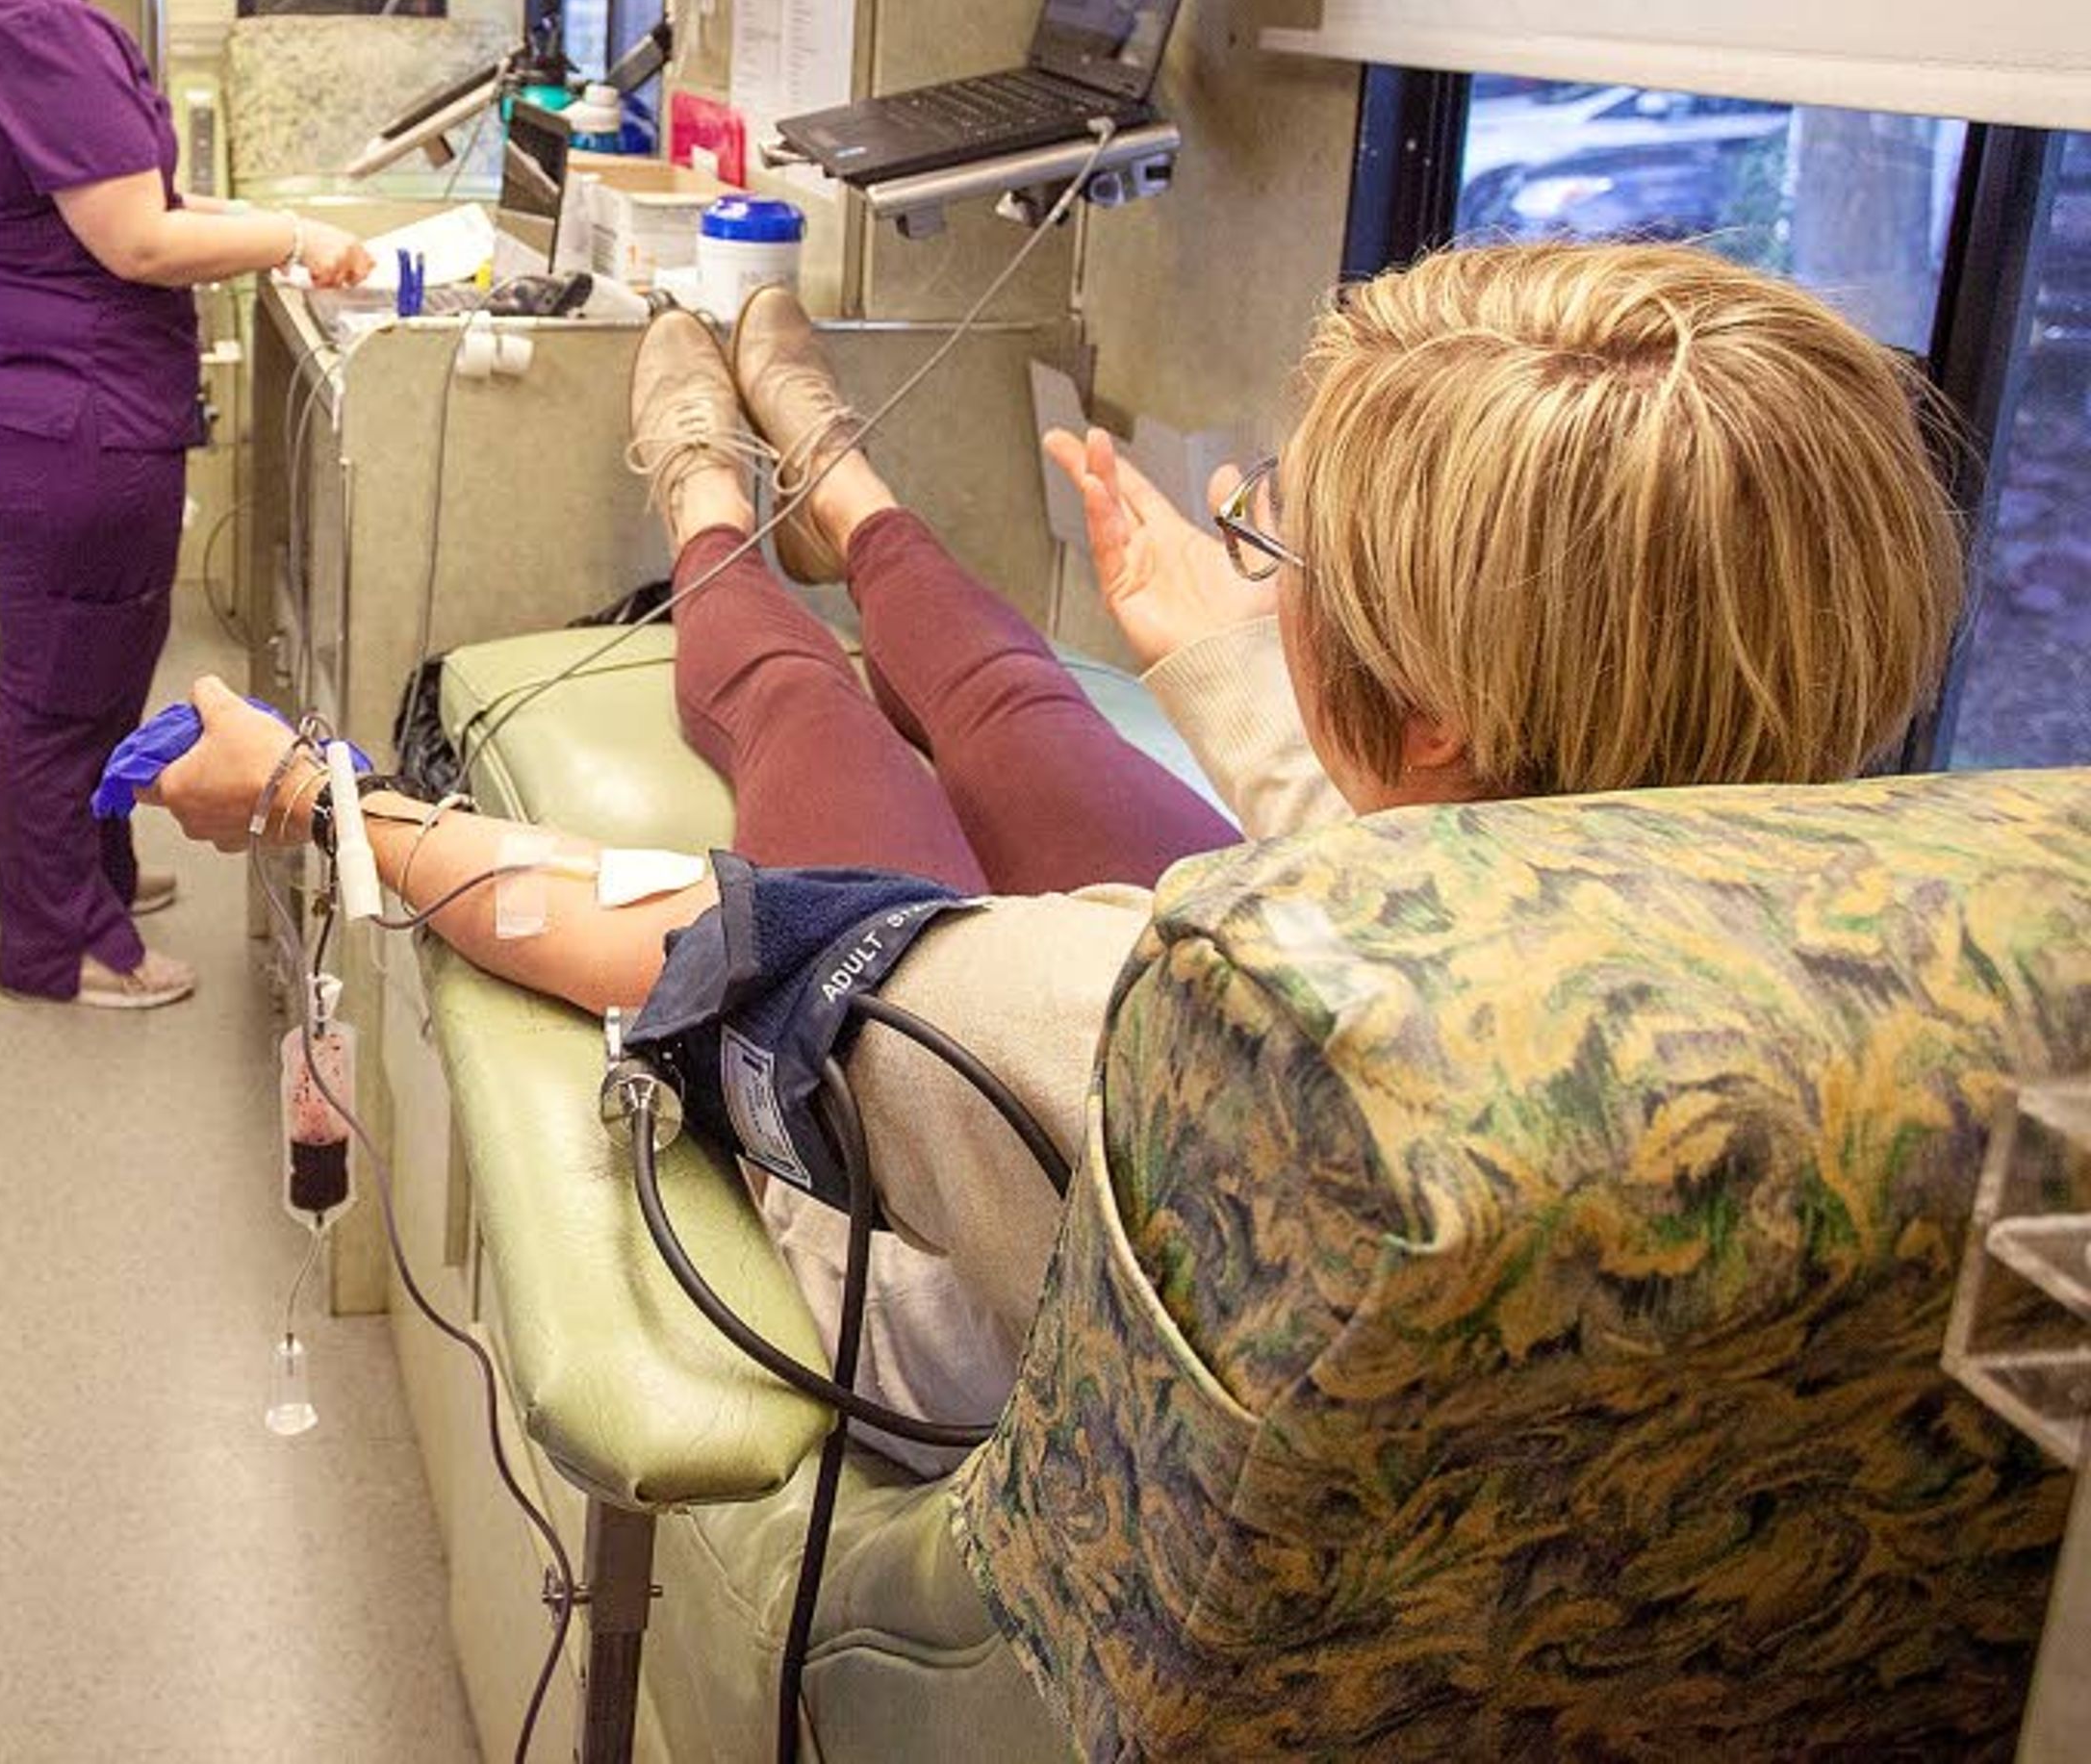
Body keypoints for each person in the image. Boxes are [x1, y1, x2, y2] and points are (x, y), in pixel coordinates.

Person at [147, 245, 1963, 1435]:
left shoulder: (1191, 1047)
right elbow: (1418, 828)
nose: (1257, 556)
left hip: (971, 1313)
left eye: (1289, 551)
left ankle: (712, 505)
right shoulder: (1952, 1001)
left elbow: (680, 929)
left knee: (810, 721)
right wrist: (1217, 652)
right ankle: (841, 484)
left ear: (1426, 721)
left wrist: (319, 797)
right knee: (1030, 716)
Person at [0, 0, 376, 1009]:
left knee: (97, 664)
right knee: (63, 687)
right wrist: (292, 234)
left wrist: (253, 218)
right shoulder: (35, 25)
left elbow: (133, 194)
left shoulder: (24, 15)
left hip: (40, 390)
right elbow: (135, 237)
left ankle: (93, 874)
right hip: (53, 407)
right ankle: (59, 943)